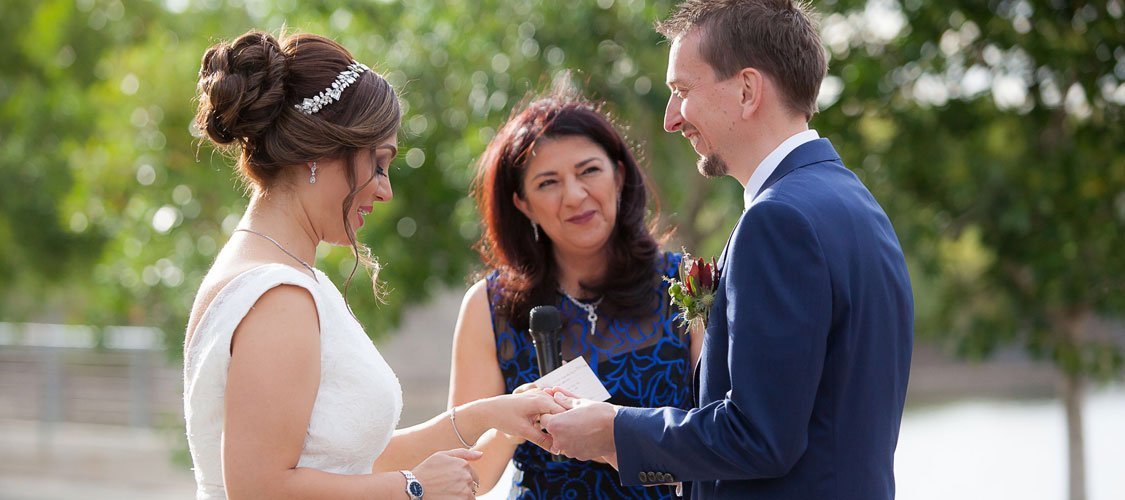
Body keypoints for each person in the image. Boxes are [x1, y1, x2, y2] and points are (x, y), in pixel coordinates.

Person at [539, 1, 915, 499]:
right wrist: (621, 450)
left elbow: (761, 438)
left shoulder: (778, 220)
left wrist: (612, 429)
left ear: (746, 90)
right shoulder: (852, 202)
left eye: (682, 91)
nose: (672, 119)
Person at [182, 30, 563, 499]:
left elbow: (349, 462)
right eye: (379, 164)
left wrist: (491, 417)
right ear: (319, 154)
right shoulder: (276, 294)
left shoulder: (284, 276)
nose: (386, 190)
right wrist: (415, 488)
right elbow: (261, 487)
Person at [447, 84, 703, 498]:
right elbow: (466, 475)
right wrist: (512, 422)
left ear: (619, 175)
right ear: (522, 203)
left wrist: (614, 438)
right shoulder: (487, 305)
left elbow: (722, 436)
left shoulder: (685, 283)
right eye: (548, 183)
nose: (575, 196)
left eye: (589, 171)